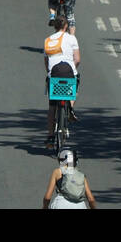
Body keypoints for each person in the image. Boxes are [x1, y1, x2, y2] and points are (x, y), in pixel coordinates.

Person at [44, 15, 80, 147]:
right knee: (74, 89)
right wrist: (73, 70)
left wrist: (49, 73)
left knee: (52, 106)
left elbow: (46, 61)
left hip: (53, 74)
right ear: (66, 26)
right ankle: (70, 106)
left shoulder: (48, 40)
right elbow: (77, 59)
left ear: (55, 26)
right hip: (69, 73)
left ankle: (50, 135)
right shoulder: (72, 38)